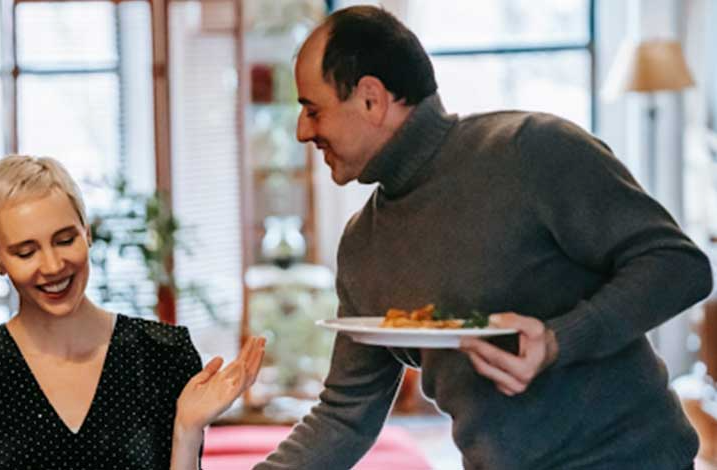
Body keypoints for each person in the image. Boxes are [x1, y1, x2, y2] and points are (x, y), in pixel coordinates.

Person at [254, 6, 713, 470]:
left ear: (371, 99)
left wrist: (559, 341)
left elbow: (679, 266)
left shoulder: (531, 149)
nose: (302, 131)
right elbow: (344, 415)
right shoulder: (362, 245)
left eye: (313, 110)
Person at [0, 155, 265, 470]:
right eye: (26, 252)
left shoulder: (163, 354)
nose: (53, 266)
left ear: (86, 232)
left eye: (65, 240)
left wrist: (187, 431)